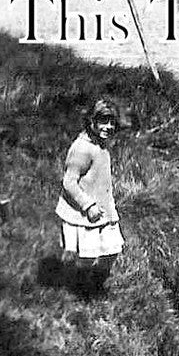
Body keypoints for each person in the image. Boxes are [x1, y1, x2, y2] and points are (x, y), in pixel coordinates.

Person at [57, 100, 123, 297]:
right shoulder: (82, 148)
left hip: (104, 208)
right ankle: (80, 290)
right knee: (87, 255)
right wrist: (88, 205)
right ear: (92, 121)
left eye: (112, 122)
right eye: (103, 121)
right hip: (85, 211)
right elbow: (69, 182)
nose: (108, 127)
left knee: (112, 250)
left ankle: (96, 283)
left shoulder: (101, 144)